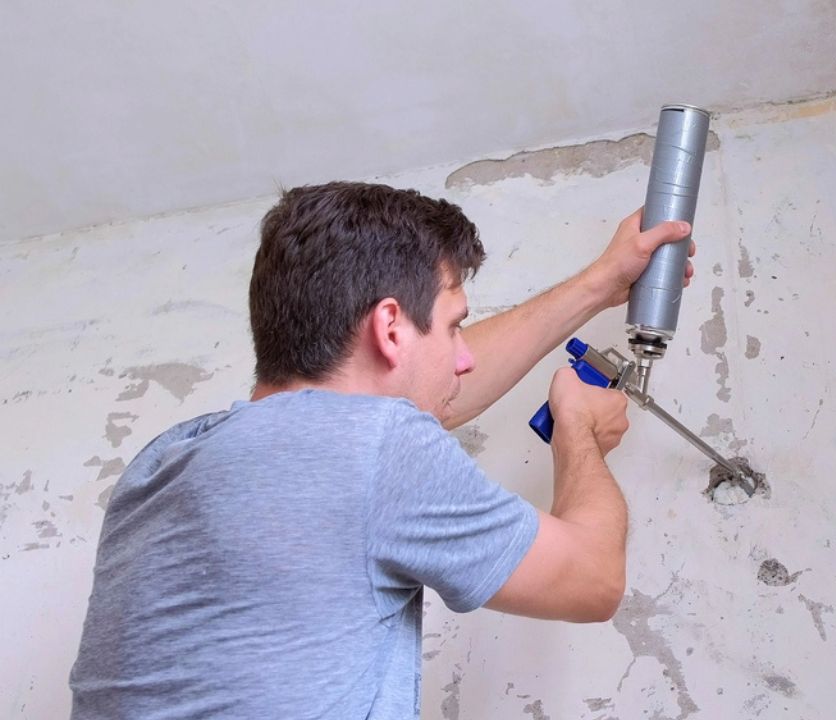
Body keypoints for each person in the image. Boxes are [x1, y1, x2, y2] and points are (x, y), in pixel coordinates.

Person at [69, 181, 696, 719]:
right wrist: (577, 432)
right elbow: (592, 581)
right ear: (390, 327)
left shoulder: (162, 463)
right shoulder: (376, 448)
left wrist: (598, 284)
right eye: (453, 325)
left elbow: (435, 393)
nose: (465, 353)